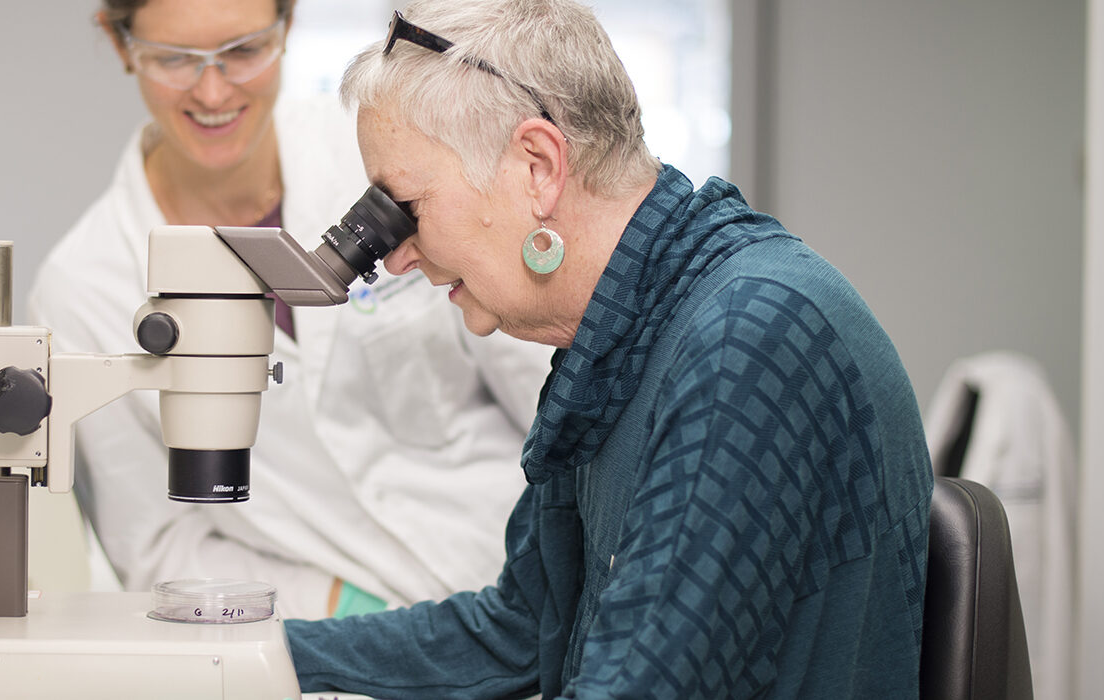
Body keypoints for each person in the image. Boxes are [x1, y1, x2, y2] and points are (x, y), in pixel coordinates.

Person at [284, 0, 934, 697]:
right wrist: (250, 653)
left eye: (405, 209)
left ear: (538, 166)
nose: (400, 259)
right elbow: (518, 631)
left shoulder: (746, 343)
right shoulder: (621, 338)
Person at [26, 0, 552, 621]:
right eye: (174, 60)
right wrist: (355, 616)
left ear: (286, 29)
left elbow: (540, 382)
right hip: (337, 632)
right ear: (122, 48)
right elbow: (159, 544)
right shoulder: (83, 285)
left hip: (528, 570)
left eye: (243, 51)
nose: (213, 89)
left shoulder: (383, 155)